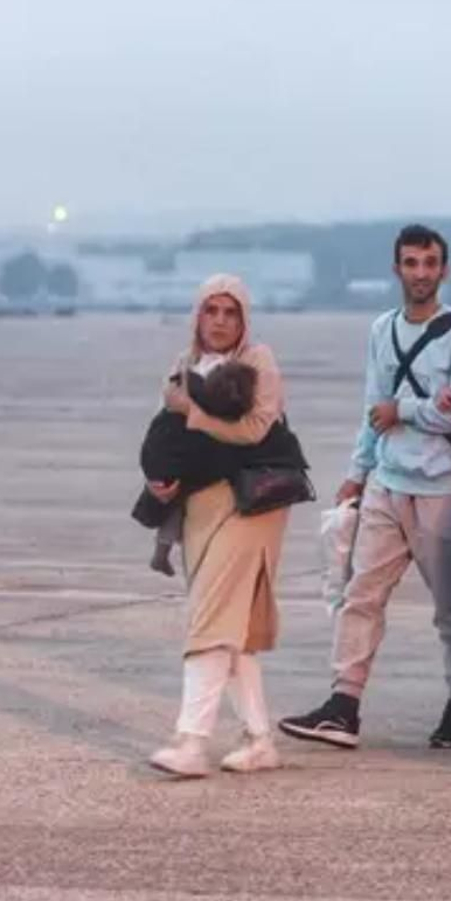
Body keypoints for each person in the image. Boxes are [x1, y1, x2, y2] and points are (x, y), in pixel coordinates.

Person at [279, 224, 451, 750]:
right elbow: (371, 409)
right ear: (396, 268)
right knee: (360, 596)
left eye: (430, 263)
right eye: (411, 262)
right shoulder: (382, 329)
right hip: (386, 483)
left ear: (444, 270)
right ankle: (344, 704)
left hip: (441, 487)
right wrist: (357, 472)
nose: (420, 272)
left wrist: (409, 411)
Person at [146, 274, 301, 779]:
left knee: (210, 621)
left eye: (229, 312)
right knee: (231, 629)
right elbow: (167, 435)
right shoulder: (184, 365)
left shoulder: (258, 361)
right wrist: (160, 483)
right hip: (200, 508)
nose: (219, 321)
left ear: (244, 319)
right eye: (210, 311)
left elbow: (255, 428)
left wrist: (192, 412)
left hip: (250, 504)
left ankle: (191, 741)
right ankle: (259, 740)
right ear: (197, 316)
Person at [132, 358, 258, 575]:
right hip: (176, 463)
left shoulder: (190, 389)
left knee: (173, 501)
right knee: (176, 500)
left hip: (166, 458)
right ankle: (163, 552)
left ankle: (162, 551)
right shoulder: (216, 408)